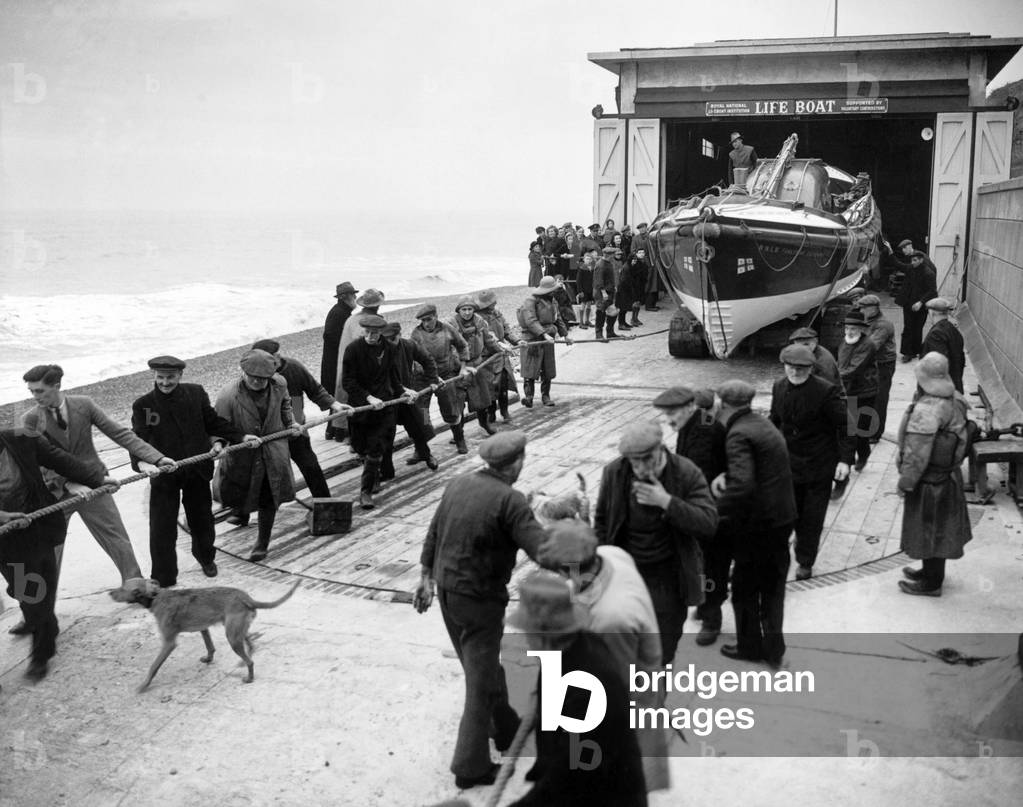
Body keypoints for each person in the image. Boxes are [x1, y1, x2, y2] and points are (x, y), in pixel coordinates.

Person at [413, 431, 547, 790]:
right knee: (480, 684)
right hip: (480, 601)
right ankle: (469, 766)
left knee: (482, 668)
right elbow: (542, 549)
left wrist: (425, 578)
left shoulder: (458, 484)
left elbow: (433, 532)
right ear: (516, 463)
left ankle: (504, 728)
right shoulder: (511, 500)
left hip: (448, 595)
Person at [535, 520, 668, 794]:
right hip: (630, 675)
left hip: (626, 707)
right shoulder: (611, 555)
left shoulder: (609, 619)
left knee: (612, 783)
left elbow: (611, 691)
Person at [20, 365, 170, 589]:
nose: (35, 396)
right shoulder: (29, 419)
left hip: (94, 484)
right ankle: (41, 607)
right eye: (32, 391)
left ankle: (134, 585)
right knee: (50, 548)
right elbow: (35, 463)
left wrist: (157, 458)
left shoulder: (84, 404)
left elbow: (119, 433)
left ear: (57, 386)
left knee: (115, 536)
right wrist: (68, 482)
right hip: (56, 492)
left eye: (40, 391)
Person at [505, 572, 649, 807]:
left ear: (542, 633)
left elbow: (568, 781)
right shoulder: (567, 647)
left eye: (527, 630)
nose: (524, 637)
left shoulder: (587, 690)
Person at [594, 421, 718, 665]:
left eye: (645, 460)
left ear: (660, 450)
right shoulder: (615, 472)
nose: (639, 468)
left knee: (660, 654)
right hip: (625, 576)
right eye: (633, 461)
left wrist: (666, 502)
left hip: (668, 580)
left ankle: (653, 701)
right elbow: (601, 522)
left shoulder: (685, 472)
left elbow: (708, 523)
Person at [0, 428, 116, 680]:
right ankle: (43, 638)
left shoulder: (21, 439)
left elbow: (61, 460)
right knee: (28, 592)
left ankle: (43, 639)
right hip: (8, 542)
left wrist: (98, 479)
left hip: (40, 529)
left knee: (41, 588)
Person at [131, 355, 247, 586]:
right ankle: (163, 575)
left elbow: (213, 423)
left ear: (180, 375)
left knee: (202, 520)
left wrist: (239, 437)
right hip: (165, 475)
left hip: (197, 470)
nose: (165, 382)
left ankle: (206, 559)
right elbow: (138, 440)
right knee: (162, 526)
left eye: (171, 377)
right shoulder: (143, 405)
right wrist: (143, 464)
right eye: (161, 377)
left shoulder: (195, 393)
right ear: (153, 376)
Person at [712, 379, 796, 667]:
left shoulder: (737, 434)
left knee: (745, 588)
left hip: (758, 526)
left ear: (723, 405)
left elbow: (743, 485)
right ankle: (774, 648)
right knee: (773, 588)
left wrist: (715, 510)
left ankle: (749, 647)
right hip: (782, 518)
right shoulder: (761, 423)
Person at [653, 386, 730, 646]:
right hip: (702, 506)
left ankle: (712, 619)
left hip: (709, 511)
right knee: (701, 564)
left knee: (710, 565)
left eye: (671, 414)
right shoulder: (694, 423)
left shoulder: (704, 431)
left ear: (689, 407)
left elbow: (698, 476)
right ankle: (706, 605)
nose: (668, 421)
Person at [770, 345, 854, 581]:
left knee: (811, 518)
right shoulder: (778, 387)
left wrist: (845, 460)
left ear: (810, 369)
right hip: (788, 465)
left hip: (819, 465)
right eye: (790, 367)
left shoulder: (826, 391)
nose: (794, 372)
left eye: (800, 368)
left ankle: (805, 561)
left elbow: (846, 426)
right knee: (786, 513)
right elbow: (774, 421)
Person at [896, 353, 972, 596]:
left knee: (929, 530)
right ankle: (930, 572)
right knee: (939, 530)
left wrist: (905, 483)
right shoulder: (955, 399)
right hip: (948, 477)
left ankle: (931, 583)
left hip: (929, 481)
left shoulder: (928, 409)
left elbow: (916, 455)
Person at [214, 349, 300, 561]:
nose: (258, 382)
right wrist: (218, 444)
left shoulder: (279, 384)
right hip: (242, 456)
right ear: (243, 372)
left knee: (269, 496)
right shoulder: (228, 395)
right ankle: (239, 514)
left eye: (263, 379)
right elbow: (218, 426)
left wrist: (291, 423)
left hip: (273, 451)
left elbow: (286, 405)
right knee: (235, 495)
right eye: (253, 378)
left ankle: (262, 543)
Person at [252, 339, 349, 500]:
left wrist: (335, 404)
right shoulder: (255, 375)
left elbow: (314, 389)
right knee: (257, 471)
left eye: (274, 357)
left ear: (277, 355)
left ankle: (324, 502)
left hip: (295, 415)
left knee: (310, 464)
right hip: (266, 427)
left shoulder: (293, 367)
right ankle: (241, 514)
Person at [342, 315, 412, 510]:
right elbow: (347, 381)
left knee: (376, 448)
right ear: (363, 330)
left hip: (385, 406)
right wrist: (368, 398)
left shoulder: (389, 348)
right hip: (361, 407)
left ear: (381, 332)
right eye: (368, 332)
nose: (371, 336)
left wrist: (402, 391)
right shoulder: (353, 350)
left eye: (375, 333)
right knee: (360, 446)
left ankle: (365, 492)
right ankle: (372, 477)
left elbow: (393, 375)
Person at [409, 303, 471, 454]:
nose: (426, 323)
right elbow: (415, 360)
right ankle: (421, 448)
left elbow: (463, 346)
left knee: (451, 409)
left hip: (446, 375)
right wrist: (431, 376)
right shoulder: (416, 334)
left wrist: (463, 367)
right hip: (423, 379)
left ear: (436, 317)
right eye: (423, 321)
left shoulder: (447, 329)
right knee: (422, 412)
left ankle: (459, 439)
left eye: (429, 319)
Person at [381, 321, 440, 471]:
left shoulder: (409, 345)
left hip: (409, 397)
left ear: (400, 335)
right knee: (386, 435)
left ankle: (425, 455)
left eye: (393, 339)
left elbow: (427, 360)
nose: (390, 343)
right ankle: (386, 470)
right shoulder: (378, 351)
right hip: (387, 399)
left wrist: (433, 379)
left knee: (420, 427)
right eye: (386, 339)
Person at [449, 297, 505, 437]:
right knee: (458, 402)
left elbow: (488, 340)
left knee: (482, 398)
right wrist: (461, 365)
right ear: (458, 310)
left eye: (470, 309)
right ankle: (458, 433)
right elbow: (451, 349)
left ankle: (484, 423)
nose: (467, 313)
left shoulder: (480, 321)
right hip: (459, 369)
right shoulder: (451, 325)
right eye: (464, 309)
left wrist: (499, 350)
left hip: (477, 365)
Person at [517, 277, 571, 408]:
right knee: (530, 369)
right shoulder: (530, 301)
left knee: (548, 368)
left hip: (548, 339)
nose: (554, 292)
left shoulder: (553, 301)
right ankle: (529, 396)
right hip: (532, 338)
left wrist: (565, 336)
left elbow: (557, 320)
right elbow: (530, 320)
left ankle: (545, 396)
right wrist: (543, 334)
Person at [838, 310, 879, 474]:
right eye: (847, 328)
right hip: (848, 389)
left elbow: (854, 368)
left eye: (853, 328)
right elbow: (841, 362)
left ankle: (863, 454)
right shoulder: (844, 341)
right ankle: (849, 458)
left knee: (861, 428)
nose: (849, 331)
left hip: (865, 390)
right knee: (849, 427)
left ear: (861, 329)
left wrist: (834, 375)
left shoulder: (867, 344)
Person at [475, 289, 522, 424]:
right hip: (487, 357)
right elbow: (488, 336)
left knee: (503, 385)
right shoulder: (478, 318)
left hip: (501, 355)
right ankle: (491, 412)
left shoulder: (497, 313)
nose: (494, 303)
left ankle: (504, 410)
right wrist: (499, 345)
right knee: (489, 388)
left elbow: (507, 330)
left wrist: (517, 341)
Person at [321, 281, 358, 441]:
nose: (355, 297)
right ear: (345, 297)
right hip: (336, 362)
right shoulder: (340, 313)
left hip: (334, 360)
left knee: (337, 397)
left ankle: (333, 432)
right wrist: (345, 349)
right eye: (353, 295)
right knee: (340, 395)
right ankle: (338, 432)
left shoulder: (340, 311)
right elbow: (329, 335)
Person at [856, 294, 897, 439]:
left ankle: (875, 433)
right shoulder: (868, 321)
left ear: (873, 309)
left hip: (883, 365)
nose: (861, 311)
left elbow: (872, 346)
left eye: (864, 308)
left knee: (879, 399)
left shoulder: (882, 324)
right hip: (872, 365)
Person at [894, 251, 937, 362]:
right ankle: (907, 353)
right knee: (908, 328)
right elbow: (899, 265)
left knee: (917, 329)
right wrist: (890, 253)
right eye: (911, 260)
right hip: (908, 304)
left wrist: (921, 302)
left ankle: (916, 351)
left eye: (915, 260)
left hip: (921, 307)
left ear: (921, 260)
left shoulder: (928, 273)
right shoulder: (910, 269)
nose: (912, 263)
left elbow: (932, 291)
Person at [920, 297, 966, 394]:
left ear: (932, 313)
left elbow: (938, 366)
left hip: (940, 393)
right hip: (953, 387)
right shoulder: (953, 331)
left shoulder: (936, 334)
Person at [592, 246, 619, 341]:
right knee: (601, 312)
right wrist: (604, 292)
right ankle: (598, 334)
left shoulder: (608, 263)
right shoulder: (600, 265)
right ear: (609, 255)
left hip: (609, 291)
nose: (614, 256)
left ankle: (610, 332)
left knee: (613, 312)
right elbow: (598, 281)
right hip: (602, 293)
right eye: (613, 254)